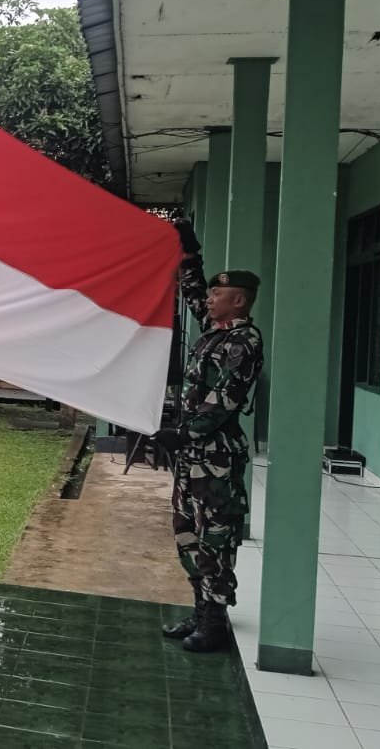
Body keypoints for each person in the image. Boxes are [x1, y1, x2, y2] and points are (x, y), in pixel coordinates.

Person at [153, 220, 265, 653]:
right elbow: (194, 295)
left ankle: (216, 620)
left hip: (215, 458)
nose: (210, 299)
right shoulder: (215, 332)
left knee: (215, 536)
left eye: (219, 294)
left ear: (239, 300)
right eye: (212, 293)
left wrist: (183, 433)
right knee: (187, 532)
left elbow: (224, 401)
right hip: (192, 457)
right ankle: (200, 609)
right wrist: (189, 259)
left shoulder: (243, 342)